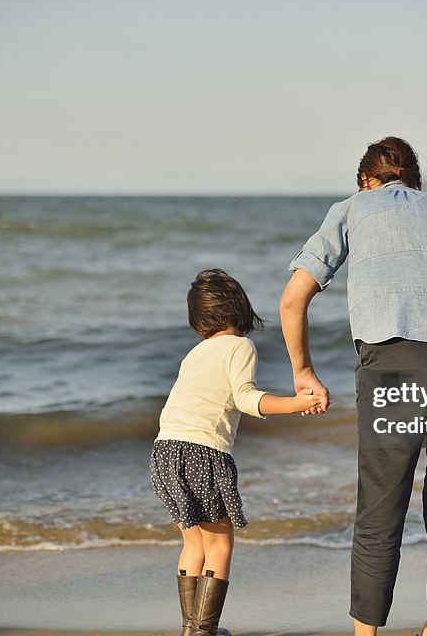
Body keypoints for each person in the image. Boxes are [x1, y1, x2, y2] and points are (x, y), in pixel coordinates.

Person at [279, 137, 427, 636]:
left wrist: (303, 373)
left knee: (381, 502)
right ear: (415, 179)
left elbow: (292, 299)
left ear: (366, 181)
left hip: (396, 354)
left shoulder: (351, 209)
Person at [151, 268, 326, 636]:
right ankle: (205, 630)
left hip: (165, 451)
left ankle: (191, 627)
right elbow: (246, 399)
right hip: (202, 451)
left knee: (193, 541)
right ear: (239, 308)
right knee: (220, 544)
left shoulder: (195, 353)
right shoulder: (240, 346)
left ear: (198, 319)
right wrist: (296, 404)